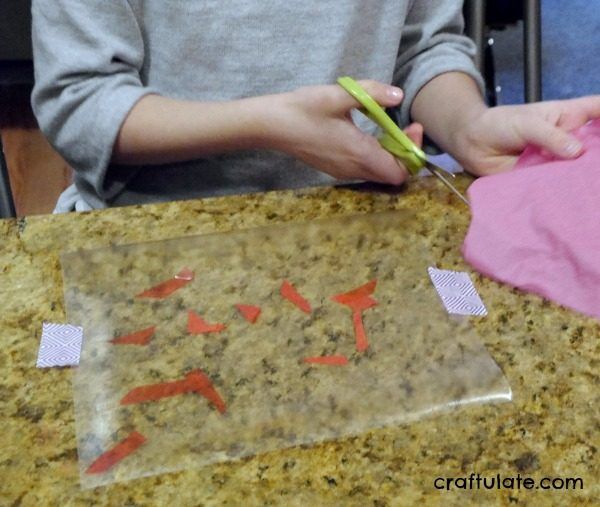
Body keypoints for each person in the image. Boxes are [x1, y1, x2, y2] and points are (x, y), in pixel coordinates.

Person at [31, 1, 600, 212]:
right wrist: (266, 124)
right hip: (151, 227)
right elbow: (80, 103)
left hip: (362, 217)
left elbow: (424, 45)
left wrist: (469, 124)